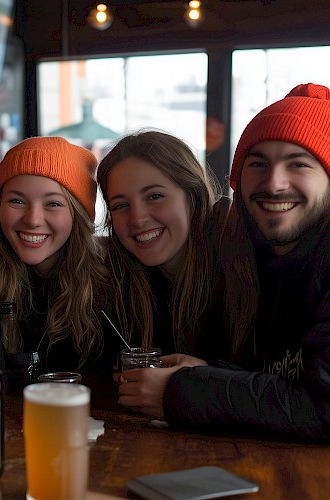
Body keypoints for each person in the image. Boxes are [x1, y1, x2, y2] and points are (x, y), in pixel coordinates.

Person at [124, 83, 330, 442]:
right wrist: (207, 372)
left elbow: (324, 409)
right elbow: (280, 380)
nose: (274, 183)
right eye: (258, 164)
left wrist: (182, 391)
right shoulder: (260, 257)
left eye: (298, 164)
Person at [0, 136, 119, 403]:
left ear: (78, 214)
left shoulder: (112, 283)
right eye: (17, 201)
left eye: (53, 204)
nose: (33, 219)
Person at [96, 129, 227, 358]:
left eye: (155, 196)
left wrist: (193, 379)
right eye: (121, 205)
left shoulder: (238, 263)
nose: (137, 219)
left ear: (193, 196)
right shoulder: (117, 279)